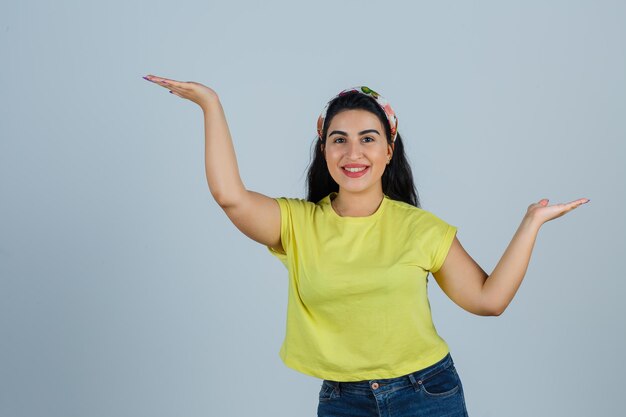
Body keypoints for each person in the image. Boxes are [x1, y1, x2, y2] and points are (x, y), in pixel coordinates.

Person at [143, 75, 589, 416]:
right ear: (324, 148)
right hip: (342, 401)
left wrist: (531, 223)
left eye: (367, 139)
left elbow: (489, 300)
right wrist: (210, 104)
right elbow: (230, 196)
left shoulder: (421, 228)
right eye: (339, 139)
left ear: (389, 149)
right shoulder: (298, 223)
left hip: (427, 395)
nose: (352, 153)